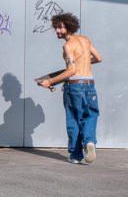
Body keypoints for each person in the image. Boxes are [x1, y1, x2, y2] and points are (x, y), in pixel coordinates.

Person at [36, 12, 102, 164]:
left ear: (68, 27)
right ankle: (90, 141)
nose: (57, 31)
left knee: (73, 119)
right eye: (56, 28)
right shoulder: (85, 40)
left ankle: (75, 155)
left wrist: (50, 81)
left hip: (74, 86)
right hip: (90, 85)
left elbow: (71, 71)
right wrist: (82, 63)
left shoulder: (67, 46)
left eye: (60, 27)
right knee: (91, 114)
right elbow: (98, 58)